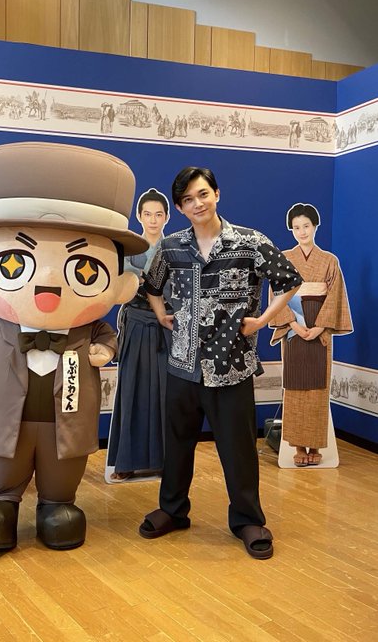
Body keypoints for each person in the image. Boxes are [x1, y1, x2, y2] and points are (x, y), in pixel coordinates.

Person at [0, 141, 147, 551]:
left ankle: (57, 504)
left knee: (64, 463)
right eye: (14, 263)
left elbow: (107, 338)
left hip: (68, 415)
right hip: (7, 412)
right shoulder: (0, 325)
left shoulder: (90, 328)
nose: (48, 285)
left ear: (121, 285)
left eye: (85, 268)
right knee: (4, 458)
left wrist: (105, 350)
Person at [138, 166, 302, 559]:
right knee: (177, 444)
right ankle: (172, 510)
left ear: (217, 194)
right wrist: (160, 313)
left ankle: (247, 520)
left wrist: (263, 320)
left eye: (202, 194)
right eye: (187, 199)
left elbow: (289, 280)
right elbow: (151, 286)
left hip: (232, 365)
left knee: (238, 448)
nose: (197, 203)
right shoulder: (171, 247)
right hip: (182, 364)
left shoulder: (250, 242)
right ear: (180, 208)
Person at [269, 203, 352, 467]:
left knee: (318, 388)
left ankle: (315, 446)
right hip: (293, 329)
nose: (302, 232)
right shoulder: (284, 258)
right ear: (291, 230)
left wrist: (320, 327)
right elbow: (277, 294)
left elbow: (335, 296)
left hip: (320, 328)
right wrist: (293, 324)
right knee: (294, 387)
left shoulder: (329, 260)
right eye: (296, 227)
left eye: (306, 226)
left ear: (315, 226)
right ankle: (298, 446)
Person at [107, 188, 171, 482]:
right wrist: (138, 279)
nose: (153, 220)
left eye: (159, 214)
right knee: (131, 387)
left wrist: (149, 281)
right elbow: (120, 281)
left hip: (166, 323)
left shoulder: (174, 247)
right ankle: (126, 461)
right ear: (139, 216)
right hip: (135, 319)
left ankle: (165, 460)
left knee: (165, 392)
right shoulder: (129, 246)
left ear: (167, 217)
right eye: (148, 214)